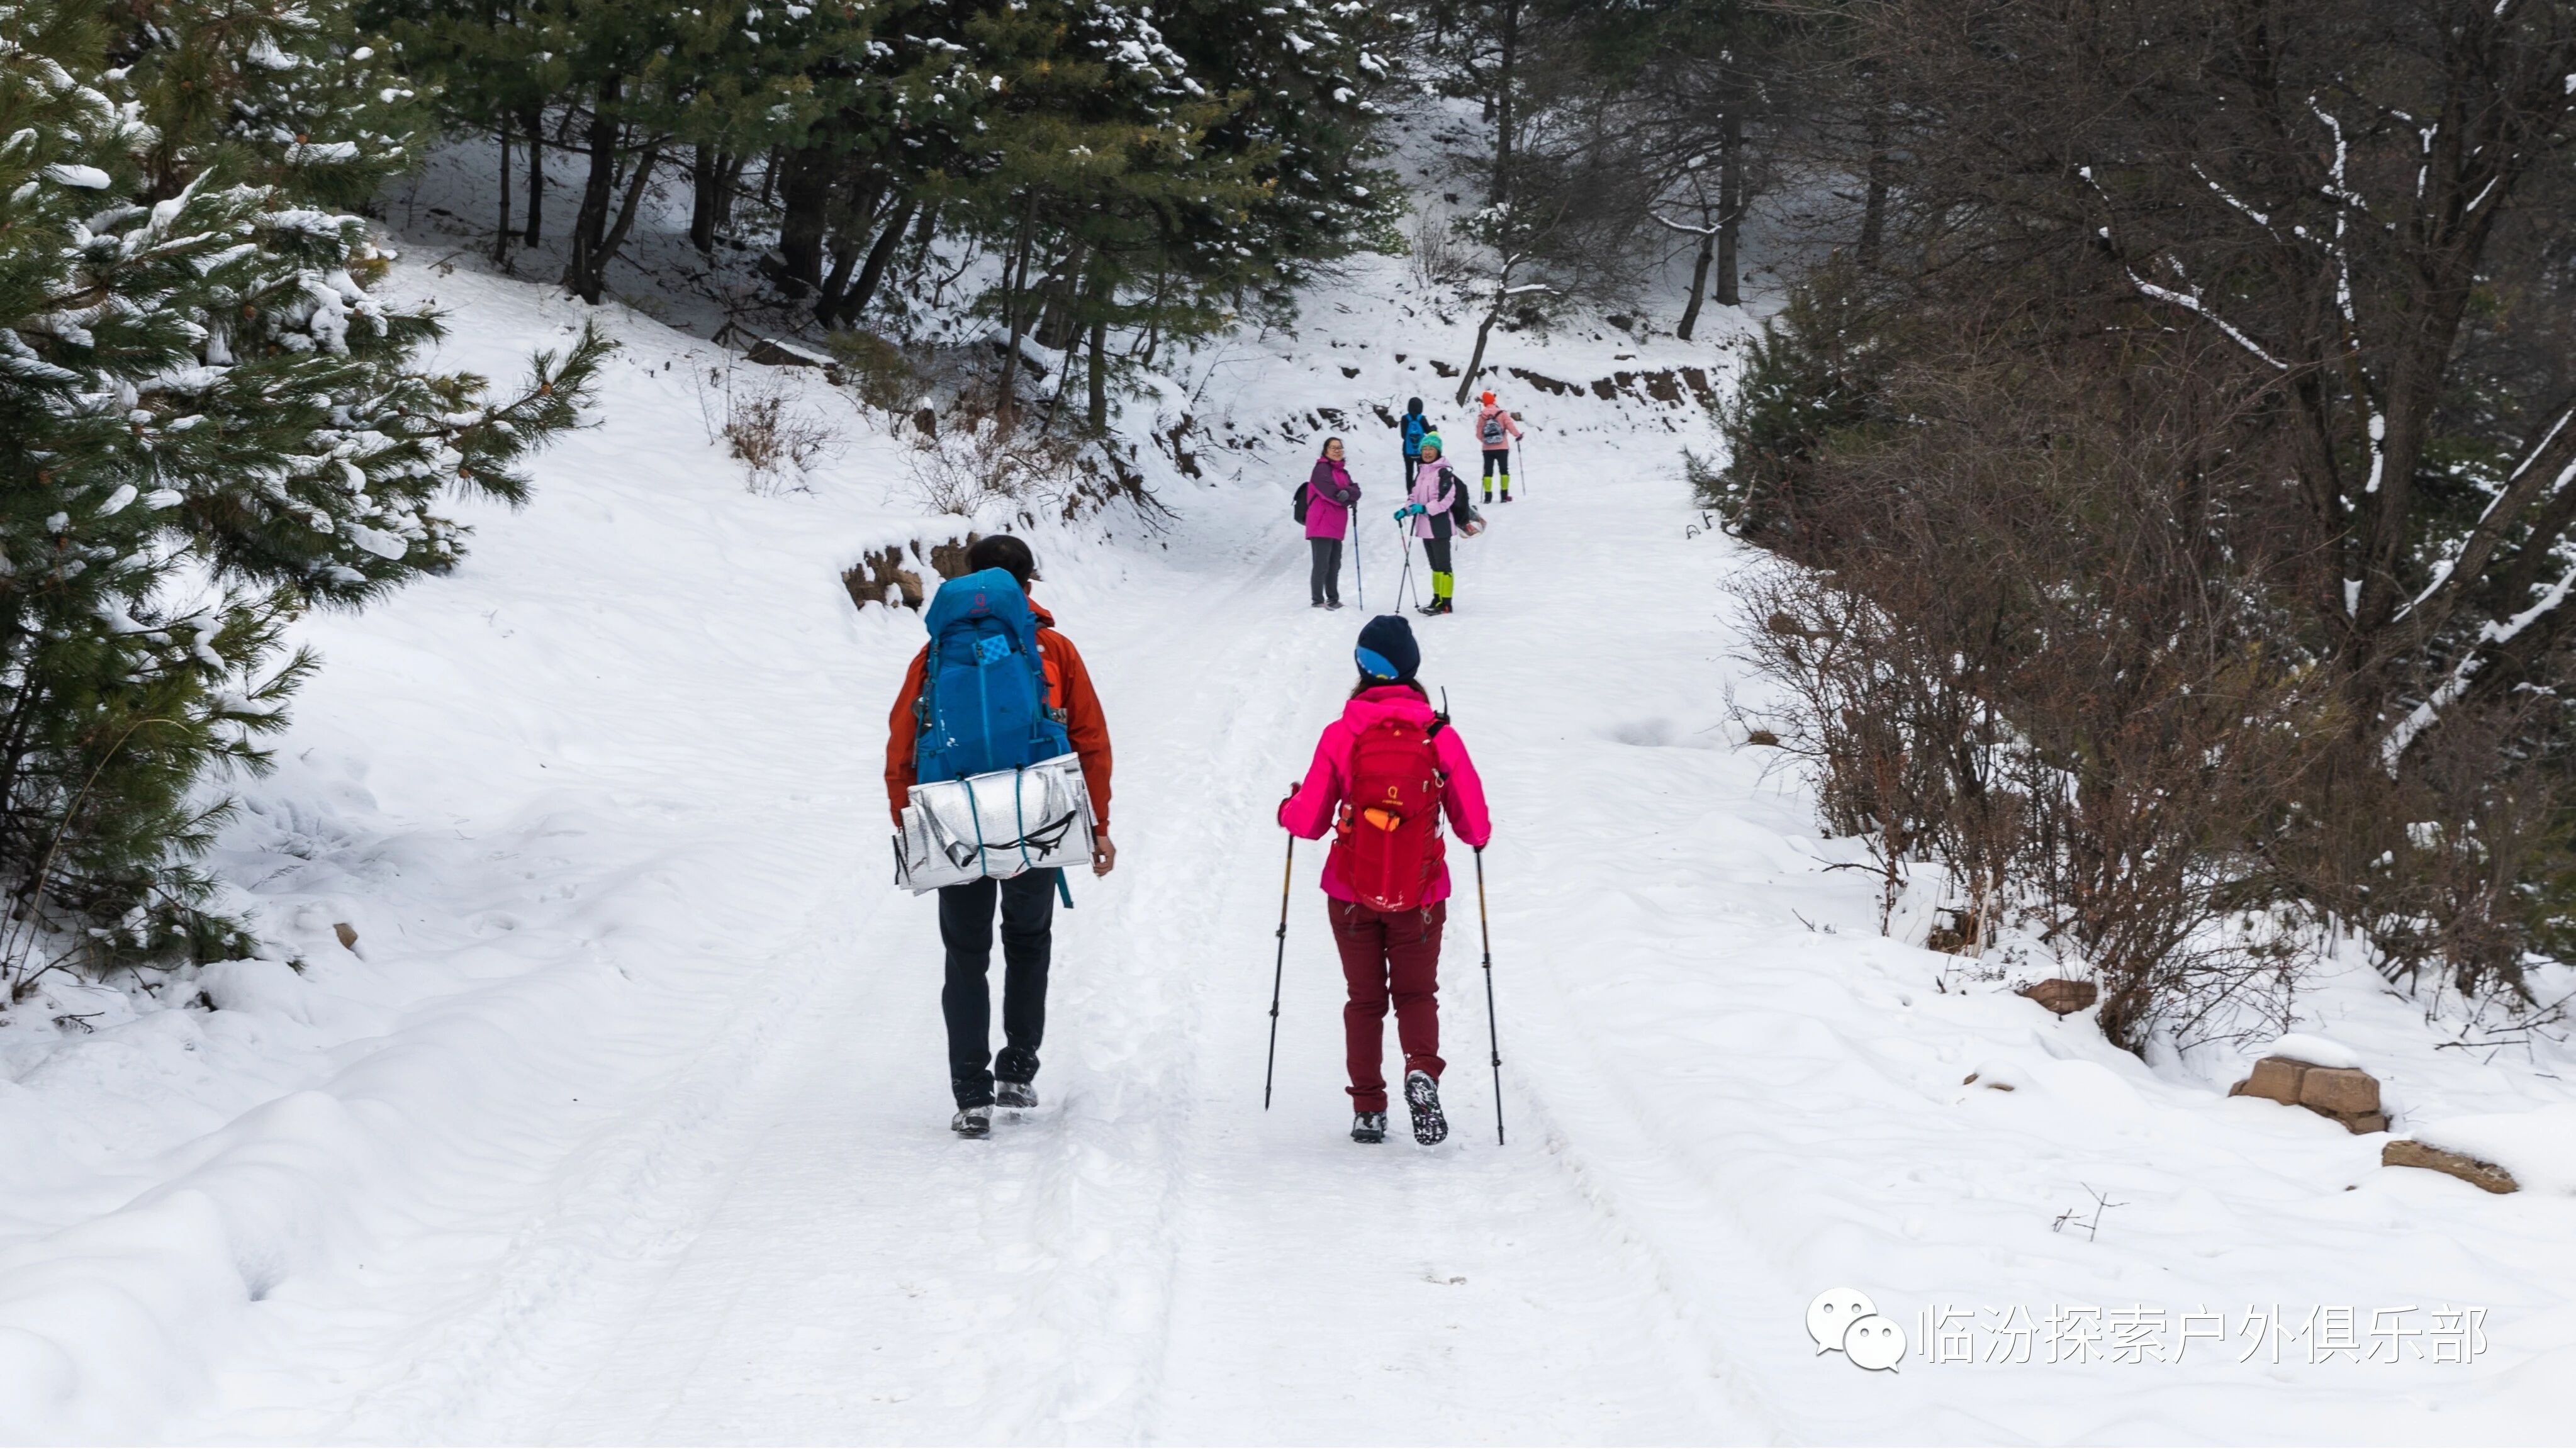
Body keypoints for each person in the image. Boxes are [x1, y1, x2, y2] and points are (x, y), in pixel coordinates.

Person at [885, 535, 1116, 1138]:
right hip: (1037, 815)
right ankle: (1017, 1070)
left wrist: (909, 824)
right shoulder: (1052, 649)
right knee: (1028, 941)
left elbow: (902, 747)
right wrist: (1098, 826)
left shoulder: (936, 652)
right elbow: (1090, 740)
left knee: (965, 956)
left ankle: (970, 1093)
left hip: (954, 818)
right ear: (1028, 585)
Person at [1277, 615, 1492, 1145]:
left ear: (1362, 668)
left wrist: (1287, 806)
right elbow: (1475, 826)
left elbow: (1308, 821)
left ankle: (1369, 1109)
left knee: (1365, 1001)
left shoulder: (1342, 733)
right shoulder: (1439, 736)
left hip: (1351, 893)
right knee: (1417, 994)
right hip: (1421, 896)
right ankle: (1421, 1068)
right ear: (1411, 669)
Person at [1399, 439, 1481, 617]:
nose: (1427, 452)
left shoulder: (1444, 474)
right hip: (1424, 526)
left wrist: (1424, 509)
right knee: (1435, 566)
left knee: (1444, 565)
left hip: (1440, 525)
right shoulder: (1421, 473)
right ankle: (1437, 599)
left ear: (1438, 452)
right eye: (1425, 449)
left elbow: (1446, 500)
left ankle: (1446, 603)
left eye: (1431, 449)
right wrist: (1406, 510)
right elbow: (1413, 497)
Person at [1304, 437, 1360, 610]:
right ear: (1326, 451)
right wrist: (1348, 498)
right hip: (1321, 522)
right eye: (1333, 448)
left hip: (1337, 523)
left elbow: (1356, 490)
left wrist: (1348, 493)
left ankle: (1333, 598)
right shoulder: (1321, 469)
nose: (1337, 451)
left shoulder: (1343, 472)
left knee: (1335, 563)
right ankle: (1317, 600)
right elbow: (1330, 493)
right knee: (1322, 563)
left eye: (1340, 448)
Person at [1473, 391, 1525, 504]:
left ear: (1484, 402)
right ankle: (1504, 496)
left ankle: (1488, 497)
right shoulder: (1502, 413)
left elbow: (1478, 434)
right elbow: (1510, 426)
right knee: (1504, 470)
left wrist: (1486, 441)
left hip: (1487, 449)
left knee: (1488, 472)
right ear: (1493, 401)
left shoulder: (1482, 416)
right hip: (1502, 447)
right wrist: (1518, 435)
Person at [1394, 396, 1431, 487]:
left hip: (1407, 450)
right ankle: (1419, 489)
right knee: (1421, 471)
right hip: (1421, 451)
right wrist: (1433, 428)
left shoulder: (1404, 418)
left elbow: (1403, 436)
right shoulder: (1421, 418)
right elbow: (1429, 432)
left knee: (1409, 472)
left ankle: (1410, 492)